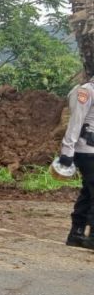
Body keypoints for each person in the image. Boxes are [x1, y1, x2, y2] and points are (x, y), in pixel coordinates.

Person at [58, 79, 94, 248]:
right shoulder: (86, 91)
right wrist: (67, 152)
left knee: (88, 192)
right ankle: (91, 236)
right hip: (86, 150)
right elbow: (75, 121)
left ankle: (77, 233)